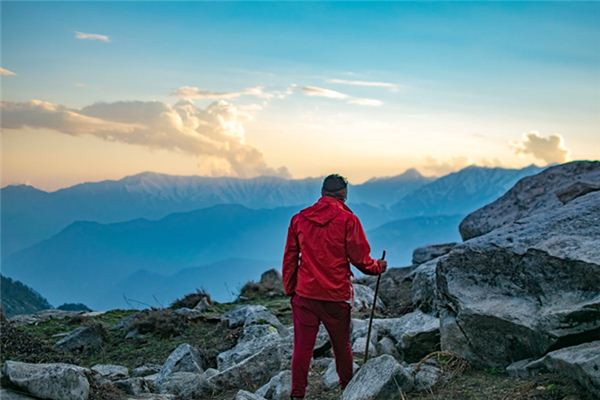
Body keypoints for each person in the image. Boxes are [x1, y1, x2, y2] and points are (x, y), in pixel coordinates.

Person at [282, 173, 387, 399]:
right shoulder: (349, 220)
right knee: (342, 347)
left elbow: (290, 257)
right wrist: (378, 266)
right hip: (335, 297)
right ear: (344, 194)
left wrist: (291, 290)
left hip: (305, 296)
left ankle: (297, 394)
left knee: (302, 349)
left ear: (322, 192)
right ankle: (348, 391)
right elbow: (361, 259)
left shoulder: (299, 219)